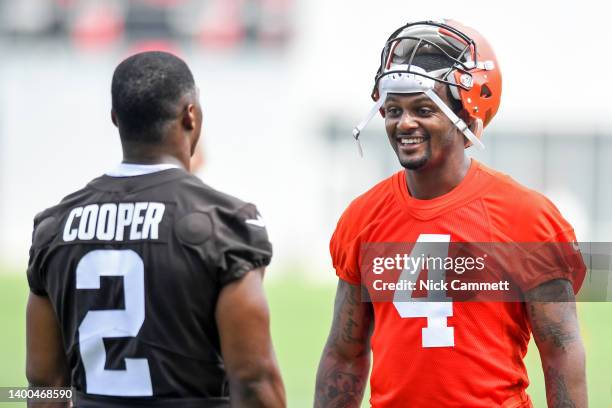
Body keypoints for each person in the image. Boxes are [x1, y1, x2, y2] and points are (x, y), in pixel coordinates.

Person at [314, 20, 587, 407]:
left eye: (424, 109)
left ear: (467, 116)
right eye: (393, 110)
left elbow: (561, 351)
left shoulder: (526, 216)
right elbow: (345, 354)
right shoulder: (362, 217)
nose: (404, 123)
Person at [26, 51, 286, 408]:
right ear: (190, 115)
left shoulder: (54, 227)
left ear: (115, 118)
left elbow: (44, 386)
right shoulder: (227, 224)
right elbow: (253, 379)